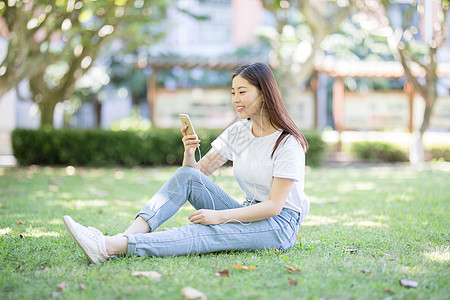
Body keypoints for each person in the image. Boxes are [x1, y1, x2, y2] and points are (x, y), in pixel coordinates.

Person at [63, 62, 310, 264]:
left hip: (278, 224)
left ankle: (109, 246)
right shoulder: (239, 131)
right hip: (247, 211)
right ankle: (126, 235)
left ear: (264, 93)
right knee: (185, 175)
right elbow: (194, 176)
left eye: (242, 92)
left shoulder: (287, 143)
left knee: (207, 233)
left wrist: (219, 217)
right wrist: (189, 153)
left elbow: (274, 207)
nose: (236, 99)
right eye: (233, 92)